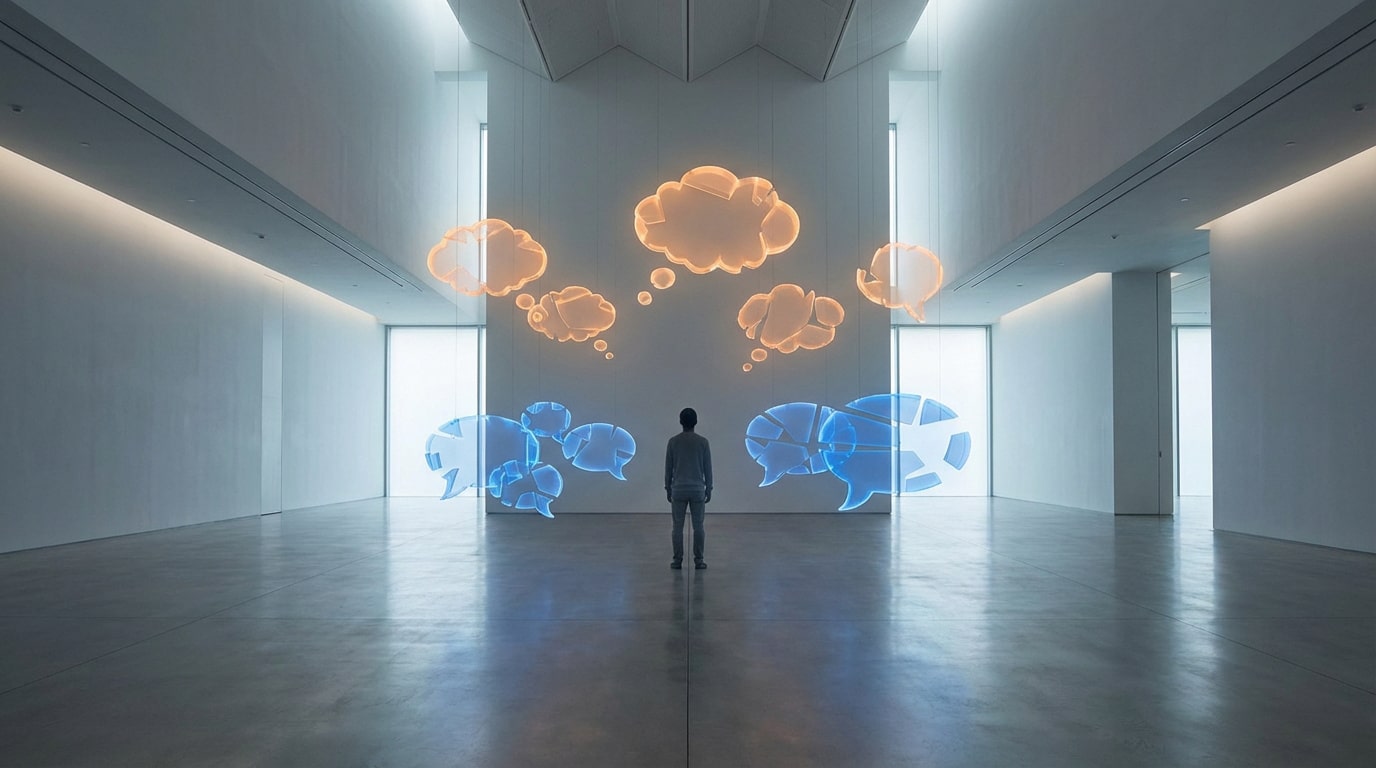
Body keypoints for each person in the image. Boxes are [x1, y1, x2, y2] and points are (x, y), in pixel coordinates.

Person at [665, 407, 712, 570]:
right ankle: (699, 560)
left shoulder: (673, 442)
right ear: (696, 422)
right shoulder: (703, 442)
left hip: (678, 488)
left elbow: (668, 468)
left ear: (680, 422)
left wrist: (667, 487)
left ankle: (677, 560)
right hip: (698, 489)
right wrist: (709, 488)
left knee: (677, 526)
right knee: (698, 526)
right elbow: (707, 468)